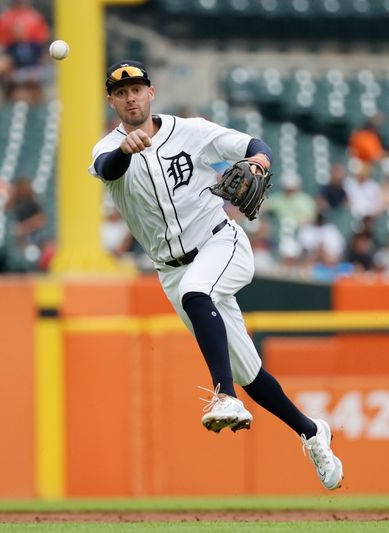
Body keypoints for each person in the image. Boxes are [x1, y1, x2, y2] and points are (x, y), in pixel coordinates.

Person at [88, 60, 343, 490]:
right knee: (251, 372)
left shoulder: (192, 130)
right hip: (171, 270)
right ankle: (312, 432)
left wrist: (260, 161)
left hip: (219, 243)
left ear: (152, 93)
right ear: (111, 101)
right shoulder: (105, 150)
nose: (131, 97)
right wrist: (124, 151)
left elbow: (255, 144)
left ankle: (224, 395)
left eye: (137, 88)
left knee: (196, 292)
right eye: (121, 91)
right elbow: (108, 169)